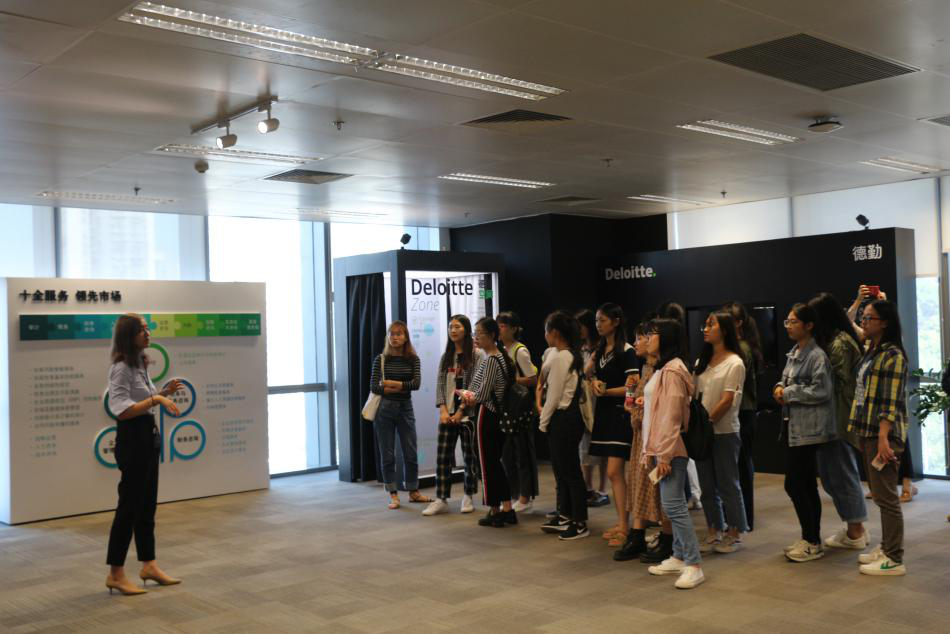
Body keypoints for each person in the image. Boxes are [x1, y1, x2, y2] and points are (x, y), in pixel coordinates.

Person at [105, 314, 183, 596]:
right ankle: (115, 573)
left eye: (148, 328)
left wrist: (163, 392)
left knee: (147, 506)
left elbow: (141, 402)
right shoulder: (121, 368)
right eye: (141, 330)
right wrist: (157, 398)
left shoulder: (139, 363)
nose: (148, 333)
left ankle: (149, 565)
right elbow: (122, 409)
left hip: (147, 437)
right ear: (128, 335)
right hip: (132, 440)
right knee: (128, 507)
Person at [643, 318, 704, 589]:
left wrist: (664, 456)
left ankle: (694, 564)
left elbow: (671, 416)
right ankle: (679, 556)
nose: (648, 338)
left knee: (674, 506)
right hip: (664, 447)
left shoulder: (672, 370)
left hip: (671, 448)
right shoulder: (666, 368)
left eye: (653, 334)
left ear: (666, 337)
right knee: (673, 504)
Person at [848, 300, 909, 576]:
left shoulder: (893, 355)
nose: (864, 321)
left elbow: (890, 402)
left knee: (886, 497)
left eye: (869, 317)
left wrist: (883, 437)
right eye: (863, 316)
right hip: (868, 430)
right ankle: (886, 547)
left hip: (883, 434)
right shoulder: (873, 351)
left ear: (884, 322)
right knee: (881, 496)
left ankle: (894, 558)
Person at [774, 304, 836, 562]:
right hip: (794, 427)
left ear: (809, 325)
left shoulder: (817, 356)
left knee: (795, 484)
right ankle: (810, 538)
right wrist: (779, 386)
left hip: (809, 430)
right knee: (806, 484)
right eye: (787, 322)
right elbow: (787, 379)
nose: (789, 326)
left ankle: (812, 541)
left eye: (794, 322)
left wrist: (787, 393)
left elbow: (822, 391)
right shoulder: (794, 352)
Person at [808, 293, 870, 551]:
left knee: (842, 476)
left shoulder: (840, 343)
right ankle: (854, 527)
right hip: (833, 420)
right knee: (832, 477)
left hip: (839, 420)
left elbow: (833, 383)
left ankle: (856, 531)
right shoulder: (834, 341)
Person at [615, 321, 673, 563]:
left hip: (657, 437)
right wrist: (632, 398)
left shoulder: (667, 369)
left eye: (643, 337)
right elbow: (635, 404)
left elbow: (663, 407)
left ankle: (667, 540)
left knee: (659, 489)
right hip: (643, 435)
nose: (639, 342)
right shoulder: (647, 367)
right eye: (640, 337)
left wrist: (638, 406)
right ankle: (638, 535)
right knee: (641, 484)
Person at [694, 311, 749, 554]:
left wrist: (706, 422)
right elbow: (694, 395)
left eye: (711, 325)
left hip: (724, 431)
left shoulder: (735, 362)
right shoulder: (702, 361)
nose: (705, 329)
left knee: (728, 484)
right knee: (706, 485)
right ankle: (714, 529)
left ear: (724, 330)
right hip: (703, 432)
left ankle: (734, 533)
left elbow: (727, 400)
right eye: (705, 325)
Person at [589, 303, 638, 547]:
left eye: (603, 320)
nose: (598, 325)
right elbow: (590, 374)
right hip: (604, 413)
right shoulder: (599, 350)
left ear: (616, 322)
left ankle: (625, 527)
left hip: (620, 414)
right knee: (613, 473)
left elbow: (633, 386)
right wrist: (594, 382)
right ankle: (622, 524)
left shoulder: (627, 350)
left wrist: (606, 391)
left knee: (613, 472)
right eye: (597, 320)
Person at [424, 315, 484, 516]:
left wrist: (461, 411)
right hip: (447, 414)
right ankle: (441, 498)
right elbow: (440, 383)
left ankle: (468, 495)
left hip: (468, 415)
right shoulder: (446, 356)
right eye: (450, 327)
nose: (453, 330)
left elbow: (475, 385)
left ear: (466, 330)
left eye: (457, 327)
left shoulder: (476, 355)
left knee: (469, 457)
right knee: (443, 457)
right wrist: (443, 409)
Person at [537, 311, 589, 540]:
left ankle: (579, 522)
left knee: (569, 471)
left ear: (555, 332)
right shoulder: (564, 355)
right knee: (563, 470)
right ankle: (566, 515)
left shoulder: (561, 357)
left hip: (564, 418)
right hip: (568, 418)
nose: (545, 335)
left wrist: (543, 423)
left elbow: (554, 395)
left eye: (546, 330)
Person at [462, 317, 517, 528]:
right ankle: (507, 509)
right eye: (475, 333)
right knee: (494, 463)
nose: (476, 337)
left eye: (480, 333)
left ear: (492, 335)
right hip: (497, 416)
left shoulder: (492, 360)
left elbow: (482, 393)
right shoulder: (500, 357)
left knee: (486, 465)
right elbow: (477, 385)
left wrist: (469, 397)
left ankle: (496, 511)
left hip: (488, 415)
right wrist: (470, 393)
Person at [369, 321, 429, 510]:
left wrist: (391, 383)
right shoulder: (381, 359)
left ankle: (413, 491)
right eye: (391, 334)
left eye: (399, 334)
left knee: (410, 452)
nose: (394, 337)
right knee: (387, 454)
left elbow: (416, 384)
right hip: (384, 409)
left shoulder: (413, 359)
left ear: (406, 337)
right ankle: (393, 494)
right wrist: (401, 386)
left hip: (405, 407)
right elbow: (374, 387)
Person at [723, 301, 762, 530]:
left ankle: (743, 519)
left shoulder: (742, 350)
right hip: (739, 412)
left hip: (743, 412)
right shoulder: (735, 348)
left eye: (728, 318)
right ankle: (739, 517)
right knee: (738, 466)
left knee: (741, 467)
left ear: (738, 323)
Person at [497, 311, 539, 513]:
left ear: (514, 329)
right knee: (507, 455)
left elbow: (532, 379)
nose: (499, 329)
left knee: (522, 452)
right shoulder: (501, 349)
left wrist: (511, 380)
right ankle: (515, 494)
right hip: (506, 408)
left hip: (520, 408)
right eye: (498, 325)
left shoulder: (519, 351)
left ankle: (525, 496)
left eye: (503, 325)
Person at [576, 308, 609, 507]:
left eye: (581, 326)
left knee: (602, 447)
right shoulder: (579, 349)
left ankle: (602, 489)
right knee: (584, 445)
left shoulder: (602, 348)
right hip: (584, 401)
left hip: (599, 400)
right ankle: (588, 487)